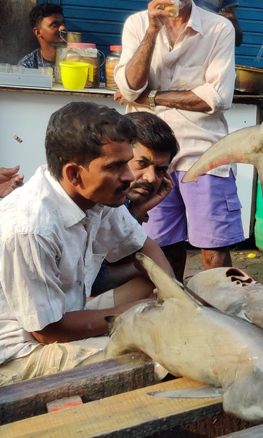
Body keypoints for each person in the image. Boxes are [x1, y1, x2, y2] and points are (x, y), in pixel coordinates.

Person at [0, 102, 174, 386]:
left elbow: (146, 247)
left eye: (128, 161)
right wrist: (134, 313)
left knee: (152, 282)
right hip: (22, 352)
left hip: (65, 315)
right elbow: (46, 331)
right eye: (116, 166)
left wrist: (174, 299)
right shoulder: (30, 228)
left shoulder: (97, 195)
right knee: (156, 355)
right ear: (73, 174)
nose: (129, 176)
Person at [114, 0, 244, 282]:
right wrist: (152, 31)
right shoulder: (137, 25)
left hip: (204, 152)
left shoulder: (219, 27)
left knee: (214, 249)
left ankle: (226, 312)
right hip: (149, 158)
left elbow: (218, 97)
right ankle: (174, 310)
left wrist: (153, 97)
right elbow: (129, 86)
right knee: (159, 247)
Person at [91, 111, 178, 296]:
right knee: (152, 274)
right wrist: (144, 267)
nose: (151, 178)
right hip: (61, 312)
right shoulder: (101, 196)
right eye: (141, 163)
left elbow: (123, 245)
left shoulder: (123, 201)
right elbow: (94, 280)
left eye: (161, 170)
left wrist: (139, 210)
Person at [18, 3, 66, 69]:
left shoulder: (75, 59)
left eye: (63, 23)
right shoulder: (28, 65)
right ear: (37, 32)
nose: (63, 28)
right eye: (55, 24)